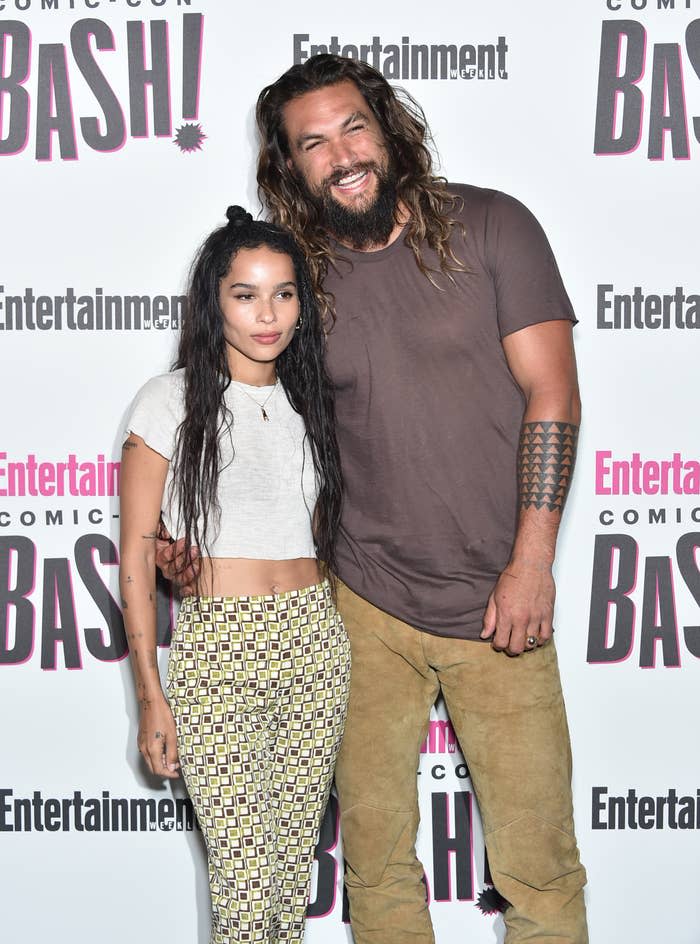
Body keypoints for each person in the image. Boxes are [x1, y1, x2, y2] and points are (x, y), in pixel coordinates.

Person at [161, 55, 588, 943]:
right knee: (379, 870)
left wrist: (533, 562)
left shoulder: (494, 225)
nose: (341, 154)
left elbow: (553, 395)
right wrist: (186, 533)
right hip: (358, 604)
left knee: (539, 869)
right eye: (312, 143)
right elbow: (244, 411)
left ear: (387, 125)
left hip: (498, 602)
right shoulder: (298, 280)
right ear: (289, 166)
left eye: (353, 126)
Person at [119, 206, 350, 944]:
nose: (267, 313)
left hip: (315, 643)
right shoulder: (169, 399)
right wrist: (150, 699)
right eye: (245, 294)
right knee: (247, 890)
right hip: (221, 650)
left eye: (283, 293)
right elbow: (135, 554)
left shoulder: (309, 404)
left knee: (286, 885)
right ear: (212, 301)